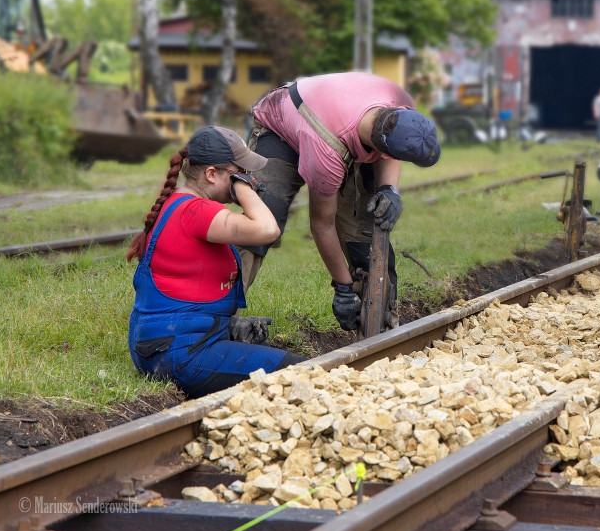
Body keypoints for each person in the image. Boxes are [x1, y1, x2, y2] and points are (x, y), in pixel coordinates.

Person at [240, 72, 441, 333]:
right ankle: (216, 319)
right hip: (282, 126)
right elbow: (322, 225)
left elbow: (392, 143)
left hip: (338, 123)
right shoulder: (327, 151)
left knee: (366, 231)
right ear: (382, 151)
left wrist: (389, 190)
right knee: (262, 223)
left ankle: (380, 327)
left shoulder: (399, 101)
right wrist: (343, 288)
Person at [126, 126, 305, 398]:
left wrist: (228, 328)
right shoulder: (197, 210)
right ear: (211, 174)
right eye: (239, 173)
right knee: (304, 372)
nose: (248, 178)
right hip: (180, 354)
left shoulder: (179, 203)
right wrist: (243, 189)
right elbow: (268, 229)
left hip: (162, 347)